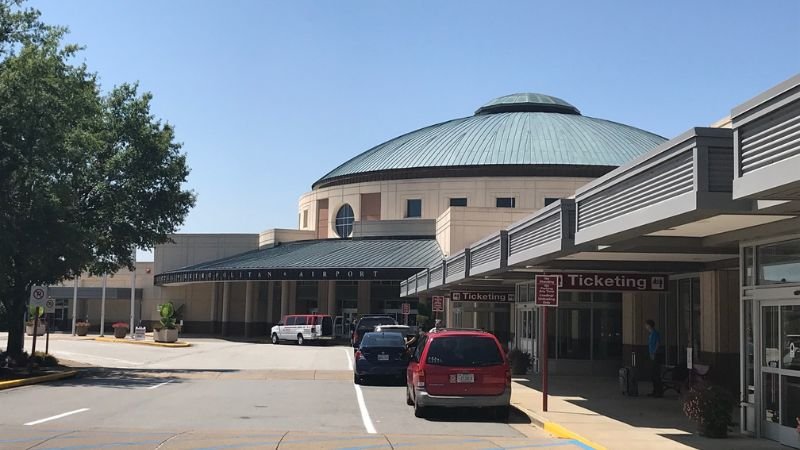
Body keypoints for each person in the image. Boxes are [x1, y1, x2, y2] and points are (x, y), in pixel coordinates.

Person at [645, 319, 663, 398]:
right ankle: (655, 391)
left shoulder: (655, 333)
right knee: (653, 374)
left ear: (649, 325)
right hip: (652, 354)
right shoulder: (651, 334)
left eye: (646, 325)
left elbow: (657, 343)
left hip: (655, 355)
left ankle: (658, 391)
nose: (645, 326)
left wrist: (654, 352)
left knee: (655, 374)